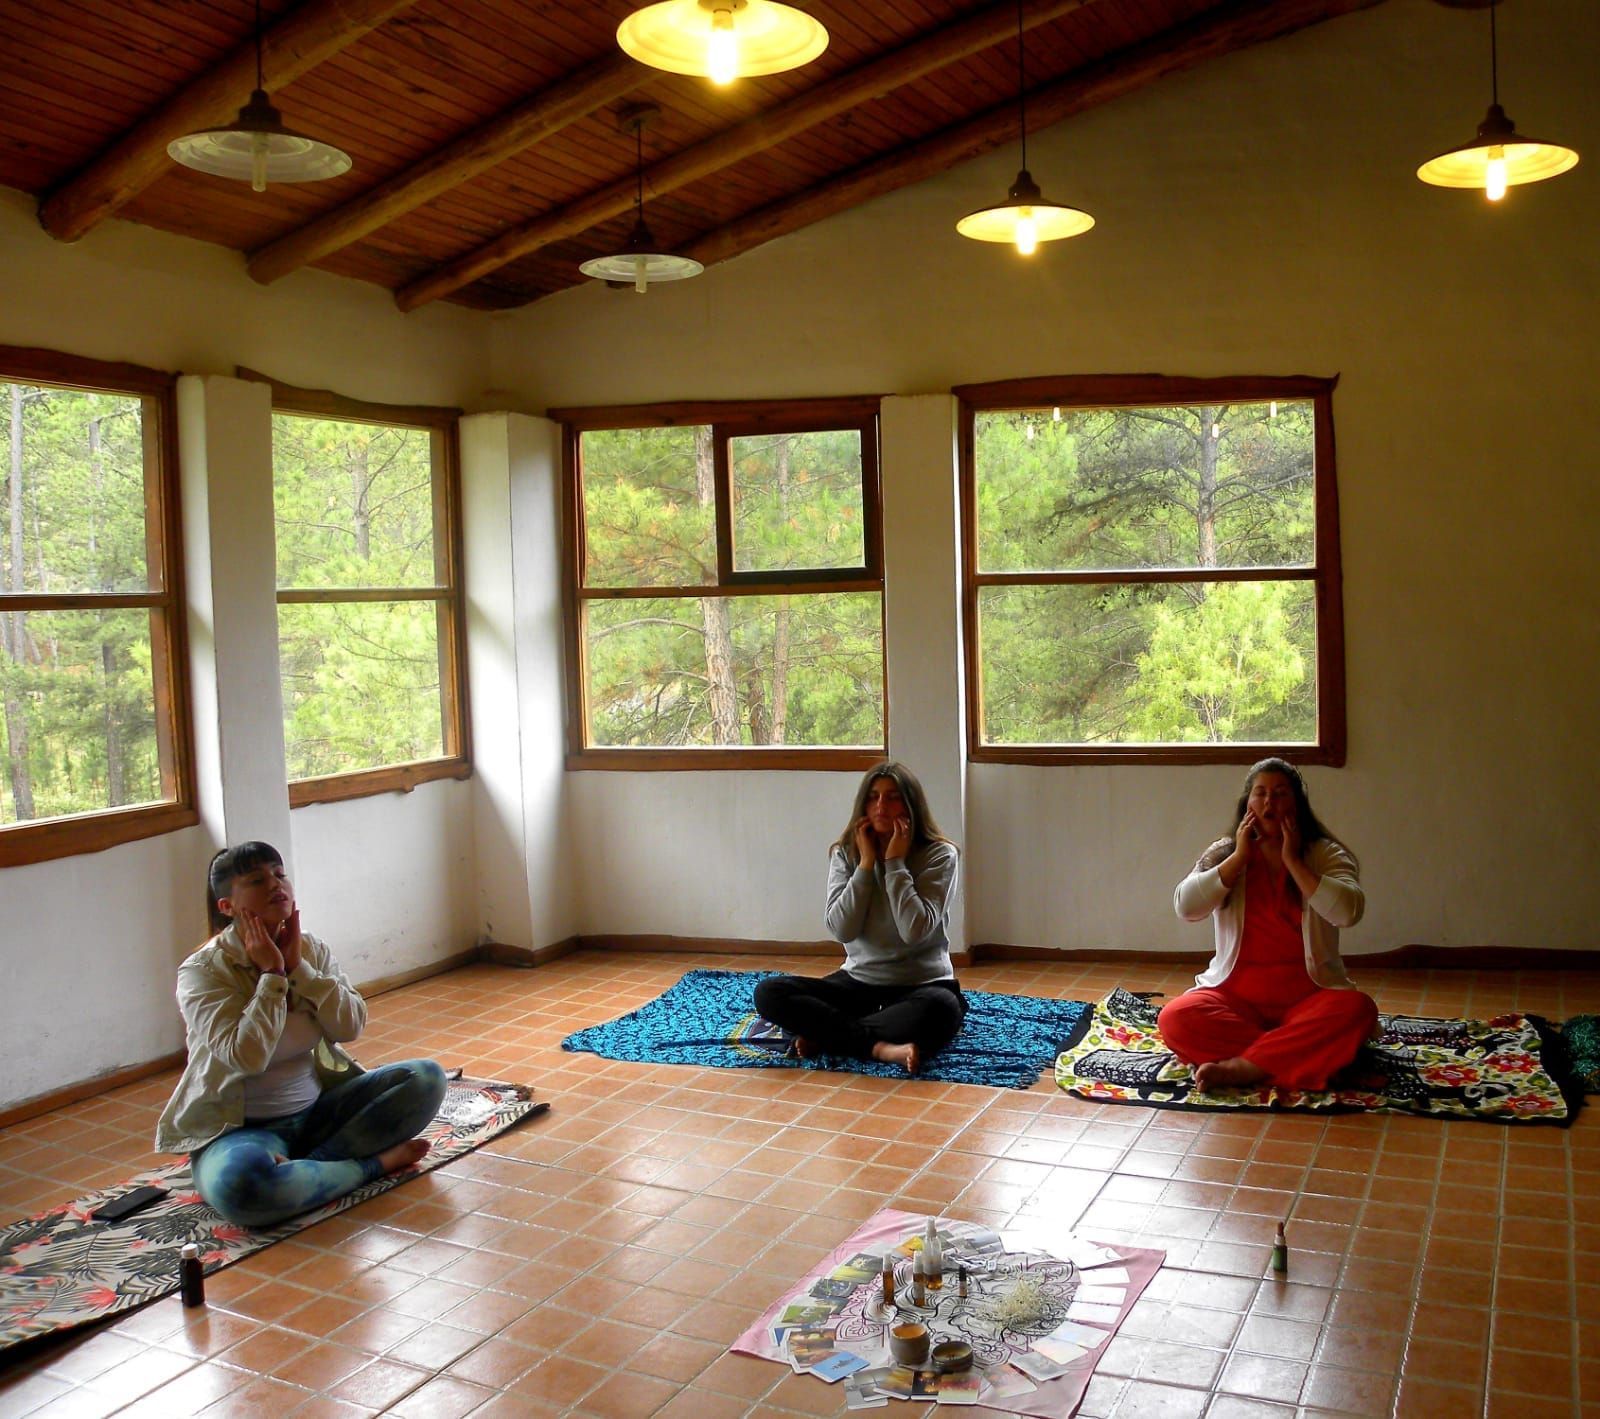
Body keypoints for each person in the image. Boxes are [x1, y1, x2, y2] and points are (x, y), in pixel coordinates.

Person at [155, 842, 447, 1227]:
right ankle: (371, 1165)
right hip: (242, 1131)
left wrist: (300, 971)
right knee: (245, 1188)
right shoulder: (203, 972)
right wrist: (273, 977)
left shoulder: (309, 948)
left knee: (426, 1079)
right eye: (257, 880)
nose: (276, 885)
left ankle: (310, 1168)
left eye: (280, 874)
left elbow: (351, 1025)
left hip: (317, 1115)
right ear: (227, 907)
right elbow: (247, 1056)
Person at [1160, 758, 1376, 1093]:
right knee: (1174, 1018)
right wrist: (1237, 860)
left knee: (1357, 1011)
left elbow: (1348, 912)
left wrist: (1294, 862)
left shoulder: (1323, 853)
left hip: (1310, 999)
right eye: (1260, 793)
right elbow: (1186, 906)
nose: (1269, 803)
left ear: (1297, 805)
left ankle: (1245, 1067)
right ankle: (1293, 1055)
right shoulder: (1226, 852)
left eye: (1280, 794)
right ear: (1247, 804)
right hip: (1234, 1000)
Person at [753, 761, 964, 1076]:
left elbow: (913, 931)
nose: (881, 806)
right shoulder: (847, 854)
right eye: (873, 797)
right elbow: (842, 928)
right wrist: (865, 866)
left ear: (910, 805)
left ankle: (829, 1036)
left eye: (892, 797)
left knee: (942, 1010)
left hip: (922, 983)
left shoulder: (939, 855)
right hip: (858, 982)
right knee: (769, 993)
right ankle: (877, 1047)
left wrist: (894, 862)